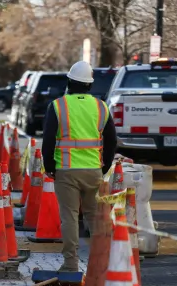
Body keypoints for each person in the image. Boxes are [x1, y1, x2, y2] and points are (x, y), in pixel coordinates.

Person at [41, 60, 117, 272]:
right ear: (89, 85)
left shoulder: (58, 106)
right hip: (93, 170)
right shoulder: (101, 107)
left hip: (65, 171)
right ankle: (100, 265)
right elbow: (111, 140)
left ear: (70, 82)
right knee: (94, 217)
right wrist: (105, 166)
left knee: (70, 218)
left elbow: (48, 141)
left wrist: (49, 166)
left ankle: (71, 264)